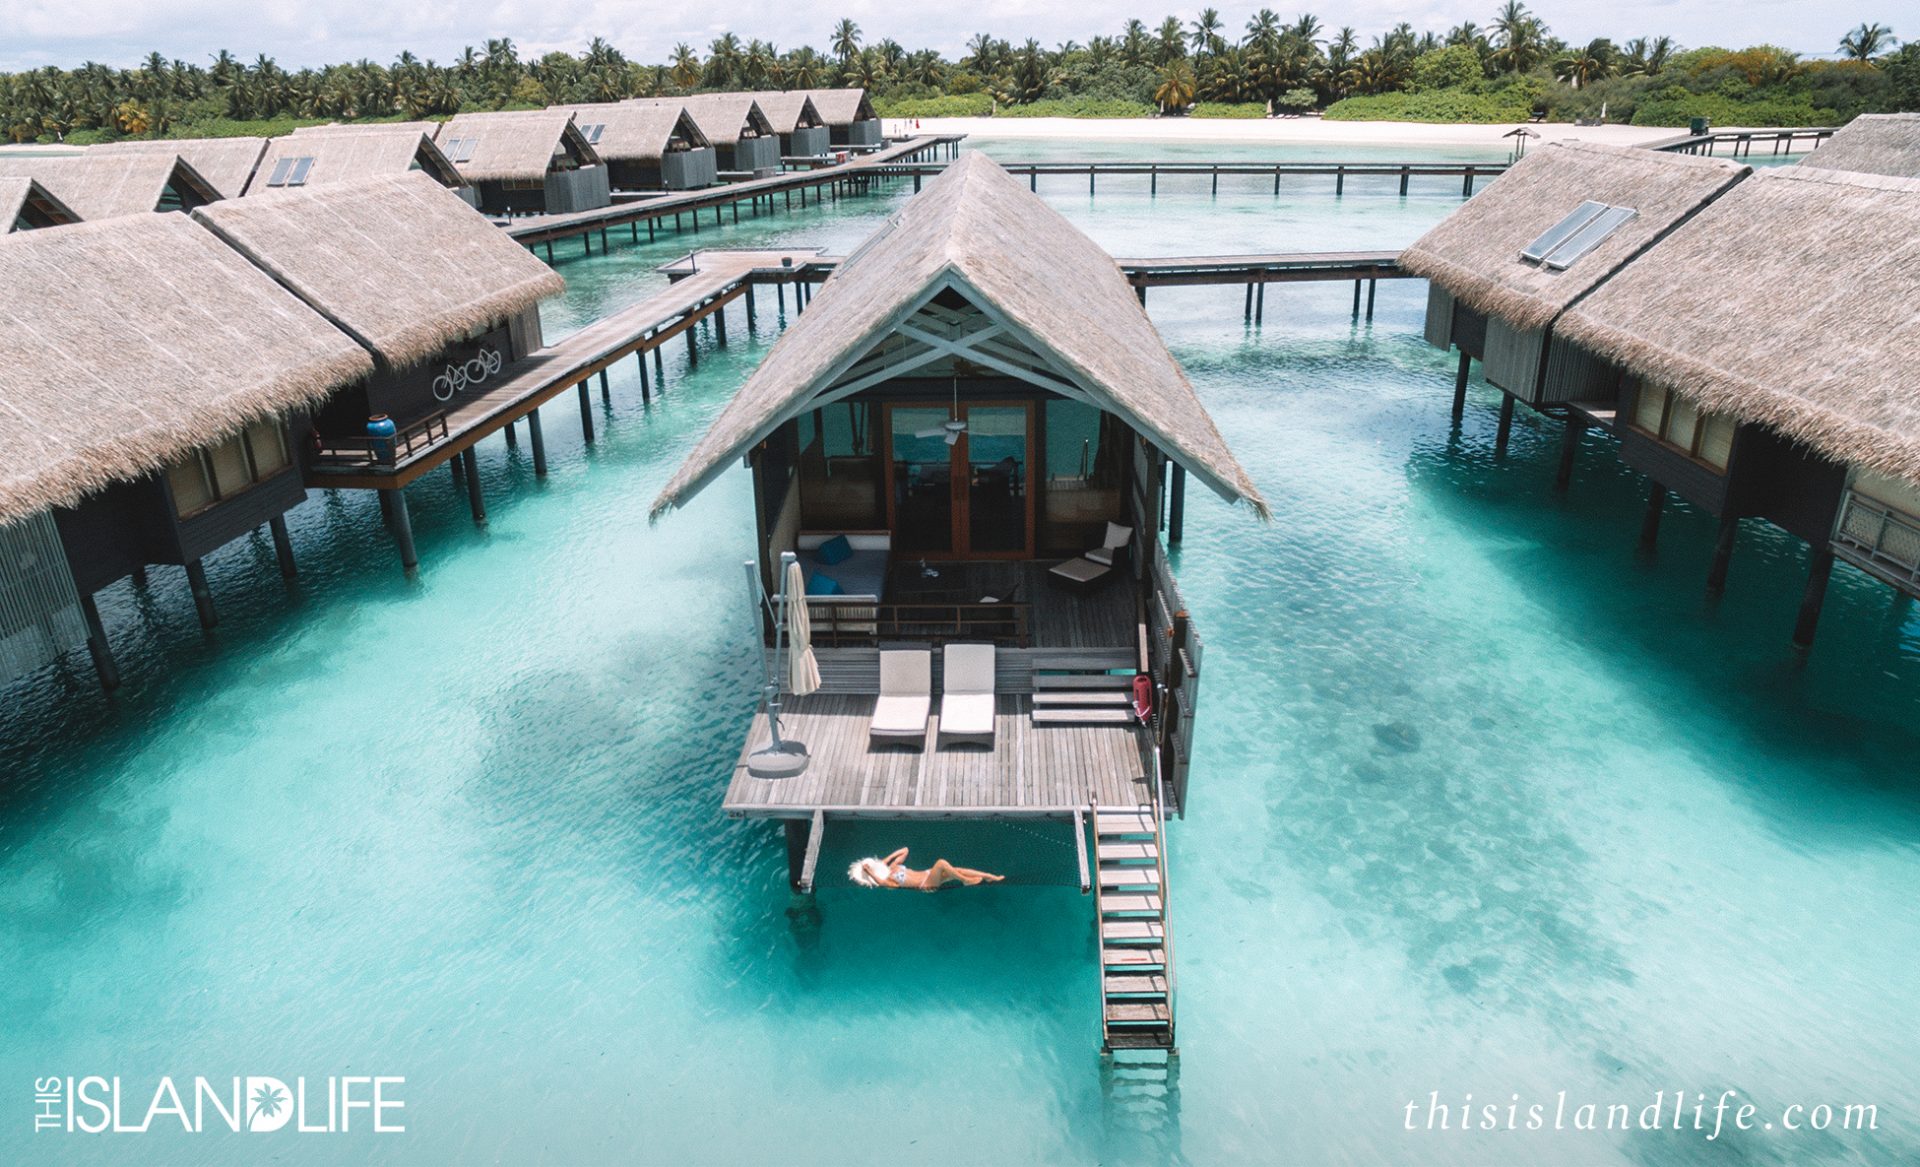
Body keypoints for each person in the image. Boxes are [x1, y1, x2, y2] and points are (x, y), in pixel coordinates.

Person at [849, 848, 1004, 891]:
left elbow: (905, 850)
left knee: (957, 869)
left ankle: (990, 876)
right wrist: (869, 872)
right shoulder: (889, 882)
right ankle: (966, 881)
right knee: (942, 863)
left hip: (928, 874)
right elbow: (881, 883)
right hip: (926, 884)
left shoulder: (893, 867)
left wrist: (885, 861)